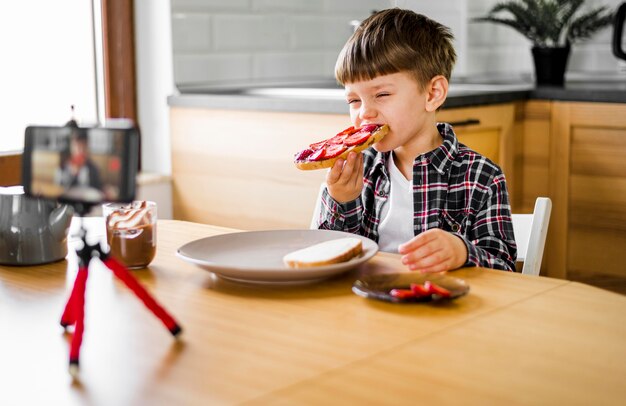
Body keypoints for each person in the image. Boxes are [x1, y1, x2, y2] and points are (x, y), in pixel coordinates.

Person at [312, 8, 516, 273]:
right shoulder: (360, 171)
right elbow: (328, 255)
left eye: (382, 94)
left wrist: (462, 251)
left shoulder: (482, 177)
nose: (364, 113)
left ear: (432, 93)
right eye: (354, 100)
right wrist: (342, 201)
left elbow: (504, 268)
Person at [57, 130, 103, 200]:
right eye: (77, 147)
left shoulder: (94, 168)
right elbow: (59, 190)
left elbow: (98, 189)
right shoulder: (62, 167)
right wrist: (73, 175)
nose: (80, 151)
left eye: (84, 147)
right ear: (71, 147)